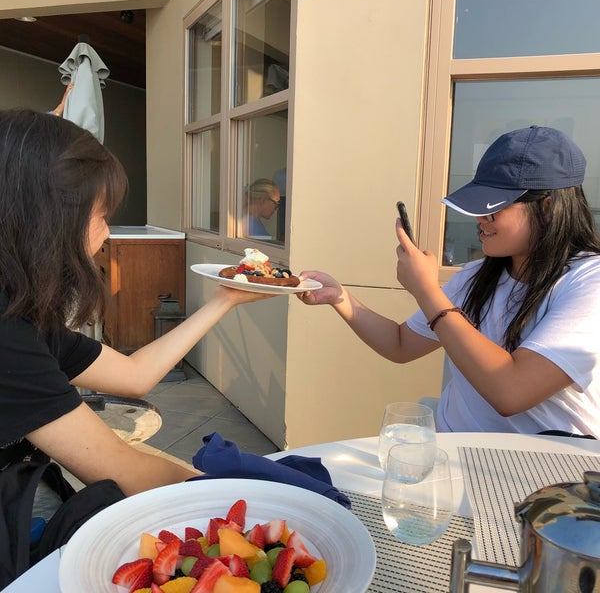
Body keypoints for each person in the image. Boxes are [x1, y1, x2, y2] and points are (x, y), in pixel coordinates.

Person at [0, 109, 272, 509]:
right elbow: (126, 473)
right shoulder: (8, 337)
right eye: (102, 216)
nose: (107, 233)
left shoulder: (19, 312)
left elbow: (133, 375)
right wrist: (253, 502)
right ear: (48, 221)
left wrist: (225, 299)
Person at [298, 126, 600, 437]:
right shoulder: (476, 276)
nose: (479, 219)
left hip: (541, 473)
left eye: (493, 209)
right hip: (452, 458)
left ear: (547, 207)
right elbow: (400, 344)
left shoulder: (588, 282)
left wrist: (426, 291)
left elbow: (512, 392)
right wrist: (340, 298)